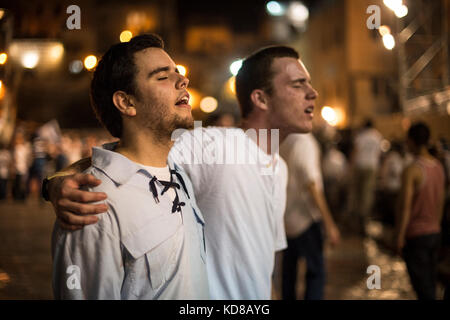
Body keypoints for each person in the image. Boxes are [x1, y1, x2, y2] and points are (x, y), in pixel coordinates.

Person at [44, 44, 318, 299]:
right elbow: (132, 153)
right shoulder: (217, 147)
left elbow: (265, 262)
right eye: (298, 84)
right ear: (260, 98)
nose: (312, 92)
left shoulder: (277, 168)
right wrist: (55, 183)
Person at [51, 34, 209, 299]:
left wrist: (53, 180)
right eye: (162, 76)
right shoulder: (94, 204)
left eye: (177, 72)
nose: (183, 80)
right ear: (126, 102)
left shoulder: (179, 172)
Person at [279, 133, 340, 300]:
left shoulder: (286, 139)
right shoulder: (304, 142)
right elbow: (311, 184)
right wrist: (329, 223)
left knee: (288, 272)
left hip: (286, 218)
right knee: (315, 272)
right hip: (306, 218)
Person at [395, 122, 445, 300]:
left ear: (410, 141)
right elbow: (440, 202)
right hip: (434, 233)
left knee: (423, 289)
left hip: (416, 235)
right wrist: (436, 226)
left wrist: (399, 235)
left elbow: (405, 206)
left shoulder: (412, 170)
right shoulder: (438, 167)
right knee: (430, 282)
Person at [350, 119, 383, 235]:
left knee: (356, 194)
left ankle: (356, 221)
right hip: (372, 167)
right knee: (367, 195)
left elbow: (355, 151)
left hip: (360, 166)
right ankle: (364, 220)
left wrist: (351, 167)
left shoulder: (361, 135)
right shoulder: (378, 136)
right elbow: (379, 154)